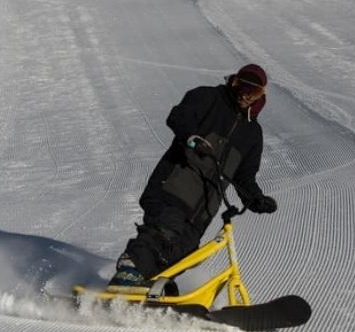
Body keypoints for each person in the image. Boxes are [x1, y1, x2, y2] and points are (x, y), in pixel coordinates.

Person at [108, 64, 277, 291]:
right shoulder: (209, 97)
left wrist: (255, 198)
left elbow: (245, 176)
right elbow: (179, 116)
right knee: (164, 231)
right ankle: (131, 268)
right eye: (242, 86)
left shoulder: (253, 134)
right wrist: (191, 137)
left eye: (253, 92)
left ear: (261, 96)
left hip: (204, 206)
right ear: (234, 82)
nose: (245, 95)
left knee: (187, 249)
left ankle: (150, 285)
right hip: (173, 186)